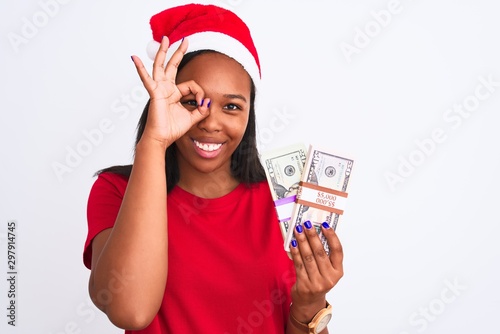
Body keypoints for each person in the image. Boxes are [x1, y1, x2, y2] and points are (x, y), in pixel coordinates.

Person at [83, 4, 344, 333]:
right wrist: (154, 140)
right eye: (192, 101)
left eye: (232, 106)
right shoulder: (116, 190)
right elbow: (131, 312)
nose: (211, 123)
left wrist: (309, 306)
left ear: (250, 113)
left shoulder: (285, 198)